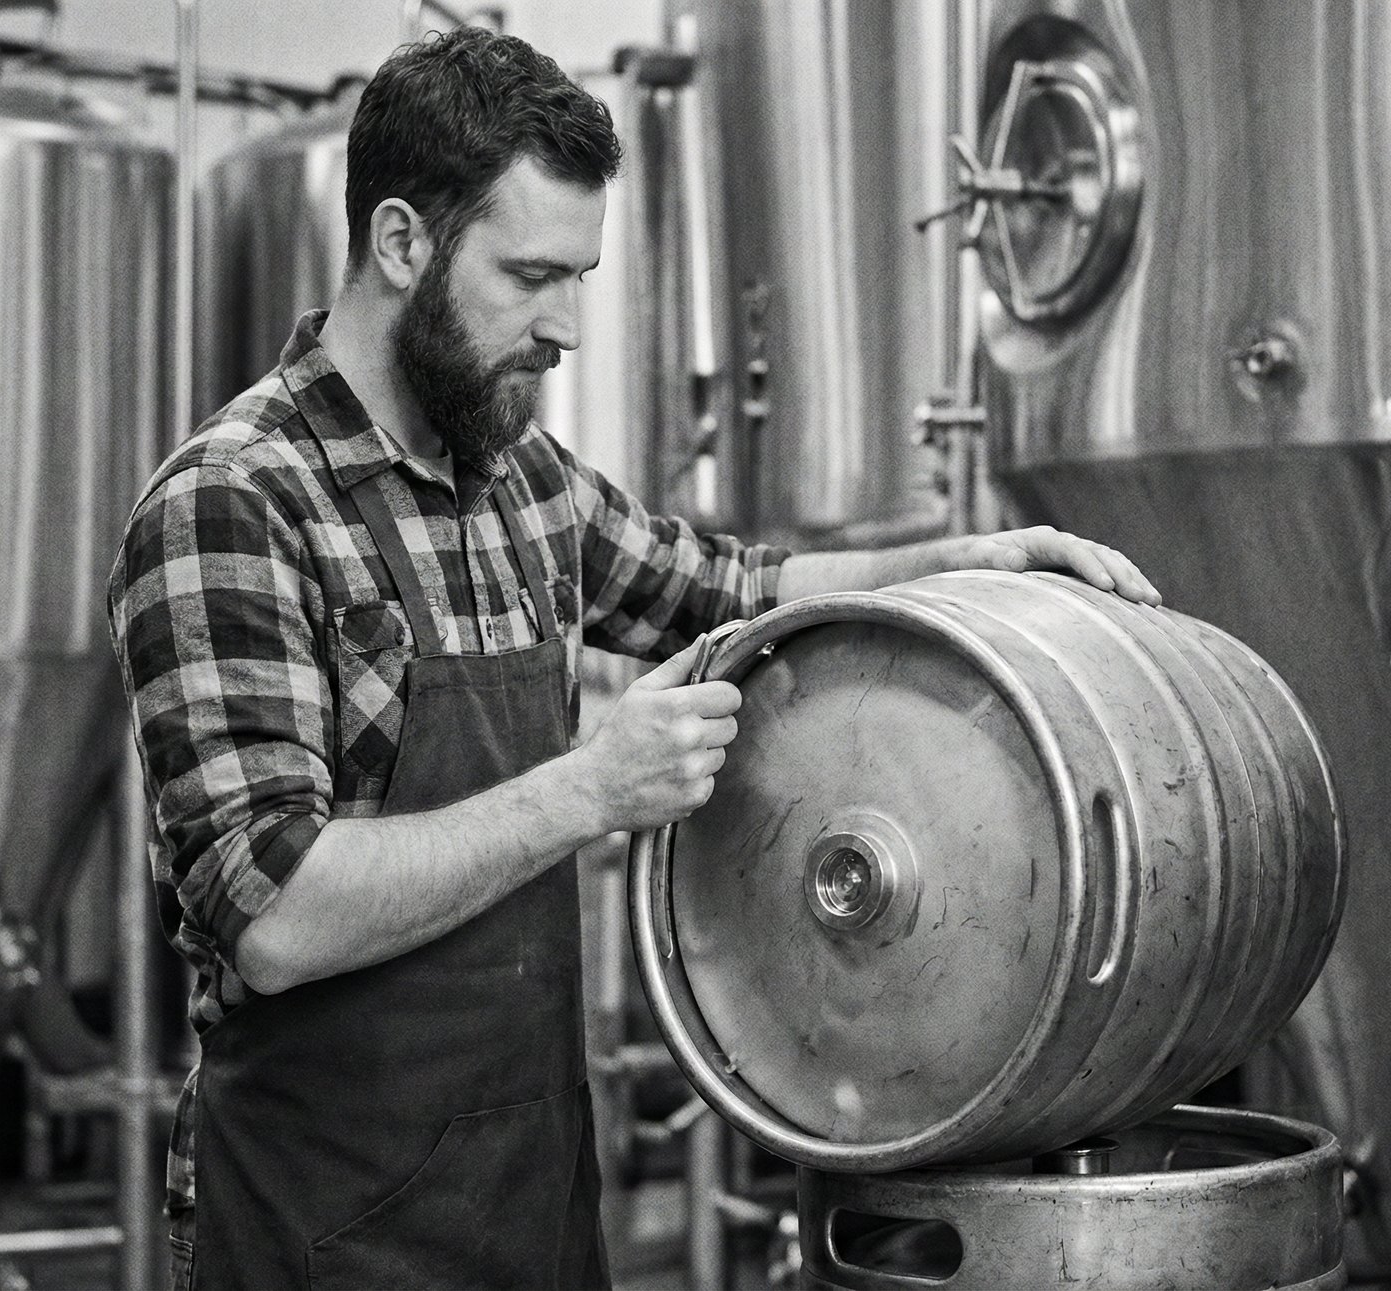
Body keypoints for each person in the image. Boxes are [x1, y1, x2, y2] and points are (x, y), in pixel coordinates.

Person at [108, 25, 1159, 1291]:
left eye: (581, 277)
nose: (565, 326)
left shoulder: (517, 478)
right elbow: (273, 914)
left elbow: (729, 587)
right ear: (398, 243)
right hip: (314, 1221)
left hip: (528, 1200)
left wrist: (970, 559)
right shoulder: (234, 503)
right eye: (530, 276)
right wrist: (590, 789)